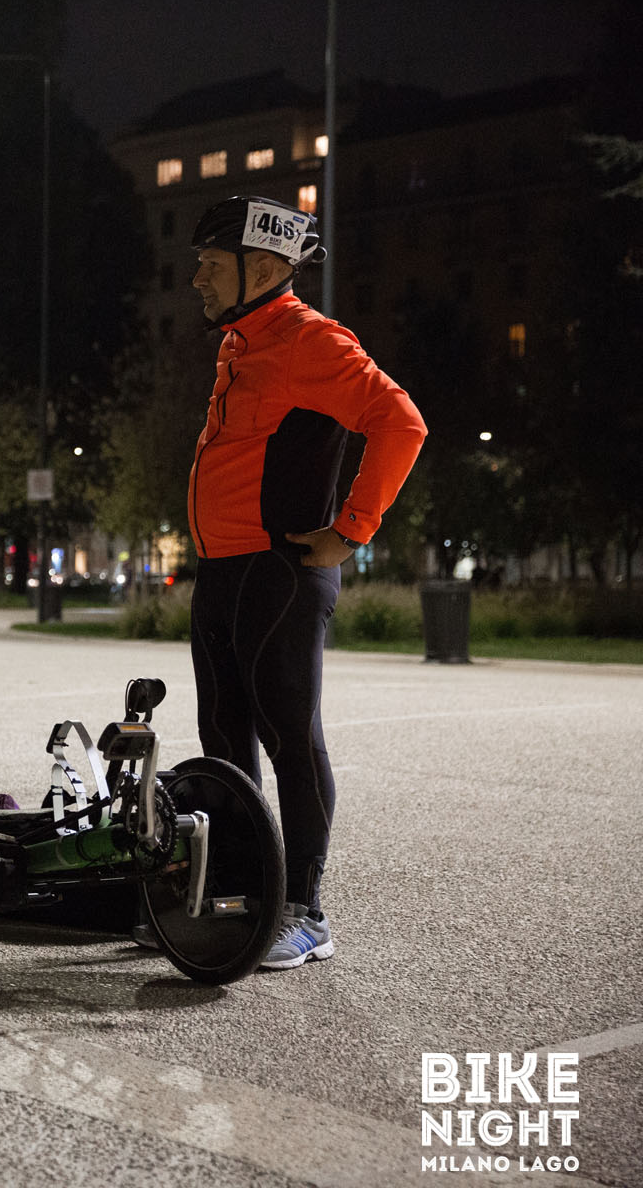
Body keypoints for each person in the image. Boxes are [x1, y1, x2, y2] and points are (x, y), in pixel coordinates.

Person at [139, 195, 427, 970]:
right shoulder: (241, 343)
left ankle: (306, 912)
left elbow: (401, 422)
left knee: (290, 741)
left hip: (280, 573)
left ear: (263, 269)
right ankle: (241, 893)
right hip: (223, 570)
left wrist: (352, 530)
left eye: (211, 263)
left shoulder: (311, 340)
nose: (197, 278)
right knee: (224, 737)